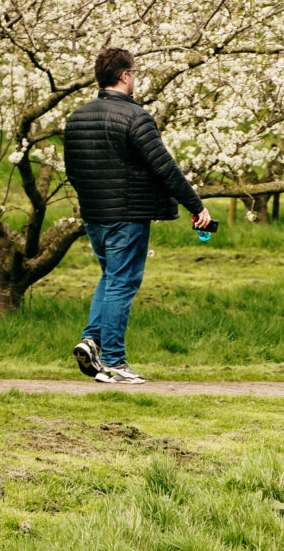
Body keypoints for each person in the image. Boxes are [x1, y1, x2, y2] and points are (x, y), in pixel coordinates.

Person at [63, 47, 211, 384]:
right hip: (127, 214)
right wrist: (196, 205)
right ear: (125, 75)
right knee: (123, 282)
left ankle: (92, 341)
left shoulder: (78, 117)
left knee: (110, 277)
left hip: (94, 213)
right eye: (134, 72)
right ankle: (114, 363)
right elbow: (165, 168)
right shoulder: (135, 117)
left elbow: (73, 171)